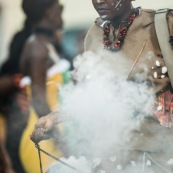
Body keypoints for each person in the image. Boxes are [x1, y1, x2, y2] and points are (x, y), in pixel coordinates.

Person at [31, 0, 173, 172]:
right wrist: (56, 117)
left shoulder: (163, 25)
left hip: (159, 160)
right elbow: (95, 100)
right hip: (109, 159)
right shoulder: (94, 35)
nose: (99, 1)